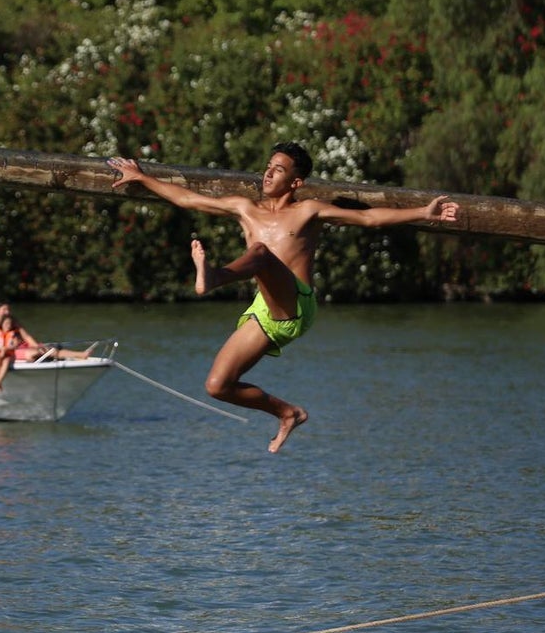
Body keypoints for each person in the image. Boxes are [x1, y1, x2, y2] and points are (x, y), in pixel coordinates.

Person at [108, 142, 460, 453]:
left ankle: (213, 277)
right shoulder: (245, 208)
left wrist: (422, 212)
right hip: (264, 309)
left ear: (295, 182)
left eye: (279, 170)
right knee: (217, 386)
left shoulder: (308, 211)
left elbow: (368, 218)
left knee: (260, 253)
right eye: (268, 167)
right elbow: (188, 199)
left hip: (296, 305)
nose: (268, 174)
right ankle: (288, 412)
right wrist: (141, 178)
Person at [0, 299, 95, 362]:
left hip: (22, 346)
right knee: (34, 354)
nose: (7, 312)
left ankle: (81, 354)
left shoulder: (14, 321)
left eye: (8, 309)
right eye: (4, 309)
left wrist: (35, 345)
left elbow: (26, 336)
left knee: (48, 350)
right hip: (8, 350)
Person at [0, 314, 21, 392]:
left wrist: (6, 348)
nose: (8, 325)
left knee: (6, 361)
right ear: (2, 324)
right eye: (6, 323)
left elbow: (15, 345)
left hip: (9, 355)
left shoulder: (14, 334)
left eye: (10, 324)